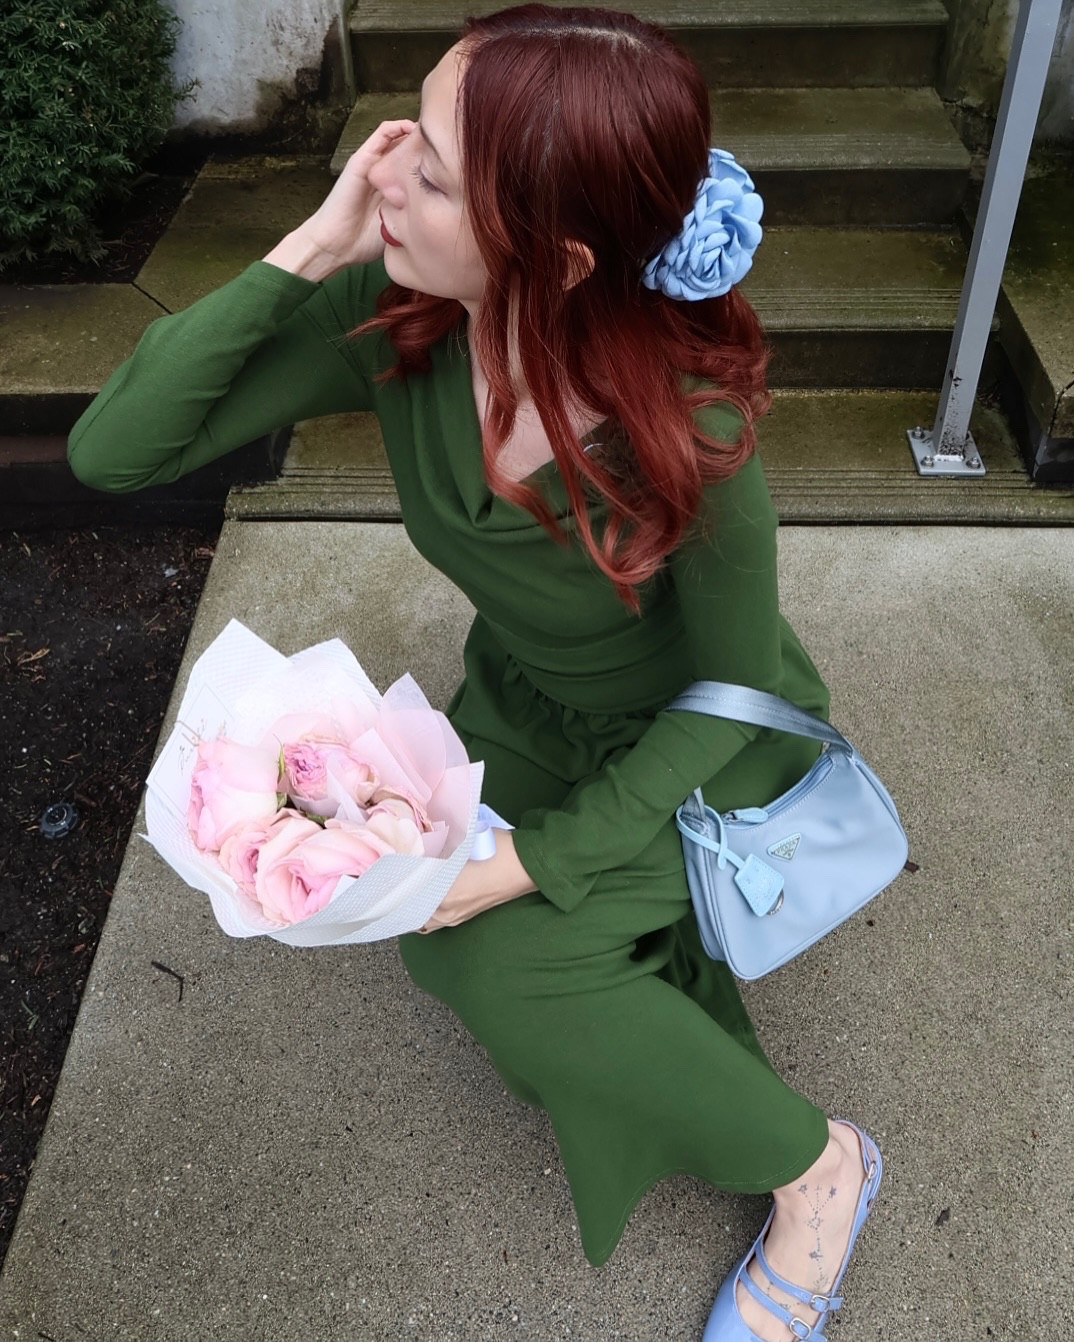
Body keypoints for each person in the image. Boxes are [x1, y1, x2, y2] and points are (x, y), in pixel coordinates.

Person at [68, 6, 882, 1338]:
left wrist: (538, 862)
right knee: (433, 934)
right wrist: (311, 243)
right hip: (523, 705)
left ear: (555, 257)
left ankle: (818, 1167)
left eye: (432, 175)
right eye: (407, 132)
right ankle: (648, 972)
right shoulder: (401, 317)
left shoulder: (685, 420)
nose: (384, 170)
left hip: (697, 748)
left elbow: (743, 690)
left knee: (505, 962)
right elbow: (114, 452)